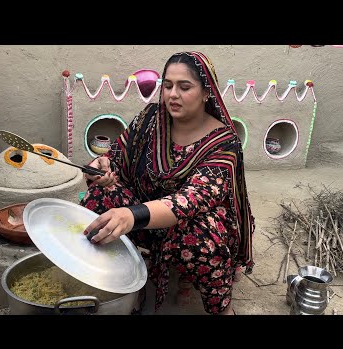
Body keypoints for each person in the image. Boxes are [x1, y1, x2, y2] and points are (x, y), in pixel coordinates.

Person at [81, 51, 255, 315]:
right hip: (143, 216)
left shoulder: (224, 143)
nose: (173, 94)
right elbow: (116, 157)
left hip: (187, 224)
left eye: (185, 87)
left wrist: (131, 215)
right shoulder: (151, 118)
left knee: (203, 238)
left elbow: (190, 200)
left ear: (207, 92)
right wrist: (99, 168)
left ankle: (222, 306)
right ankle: (126, 278)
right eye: (168, 85)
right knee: (98, 200)